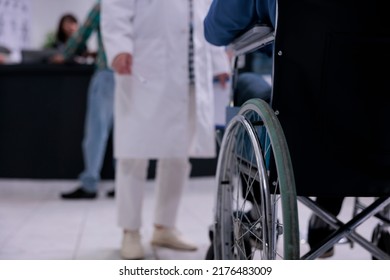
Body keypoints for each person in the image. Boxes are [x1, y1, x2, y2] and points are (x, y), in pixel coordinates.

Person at [204, 0, 344, 258]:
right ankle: (327, 216)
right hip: (374, 137)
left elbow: (215, 30)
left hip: (303, 129)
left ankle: (258, 210)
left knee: (246, 84)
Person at [101, 0, 230, 260]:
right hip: (144, 68)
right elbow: (115, 9)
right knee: (133, 154)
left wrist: (218, 62)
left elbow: (206, 16)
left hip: (190, 76)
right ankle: (130, 230)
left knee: (178, 155)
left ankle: (164, 227)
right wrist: (118, 48)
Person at [56, 1, 115, 199]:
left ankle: (89, 183)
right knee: (126, 133)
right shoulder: (138, 6)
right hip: (133, 77)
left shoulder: (104, 5)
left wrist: (64, 55)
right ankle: (125, 185)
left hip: (107, 73)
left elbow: (81, 36)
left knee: (96, 133)